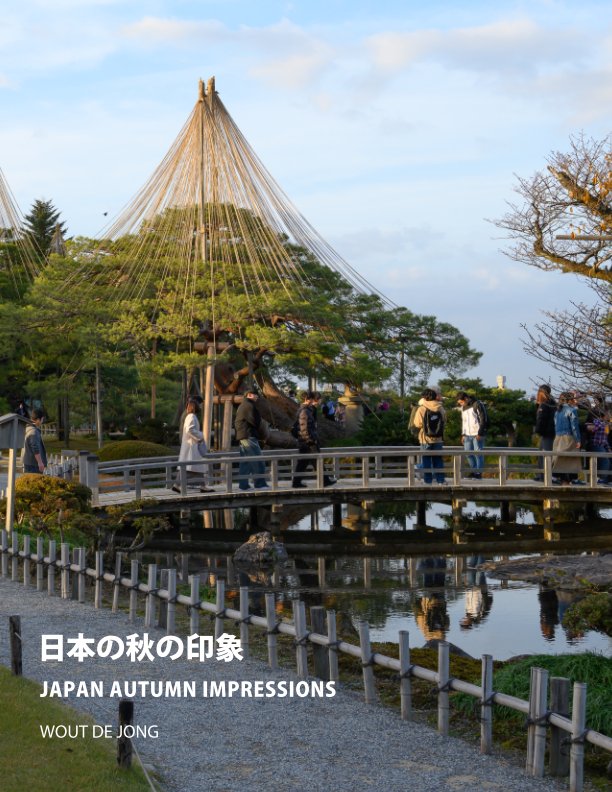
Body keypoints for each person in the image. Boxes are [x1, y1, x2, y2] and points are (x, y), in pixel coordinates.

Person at [292, 391, 336, 488]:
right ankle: (325, 481)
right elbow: (304, 428)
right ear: (307, 400)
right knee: (317, 460)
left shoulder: (305, 410)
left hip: (304, 441)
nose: (314, 401)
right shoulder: (305, 411)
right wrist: (311, 440)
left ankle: (296, 482)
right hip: (308, 442)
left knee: (303, 463)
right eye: (312, 399)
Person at [173, 398, 212, 493]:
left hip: (191, 445)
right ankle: (178, 485)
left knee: (193, 467)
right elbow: (189, 430)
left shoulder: (189, 416)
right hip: (192, 446)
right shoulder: (191, 416)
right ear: (195, 407)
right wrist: (200, 436)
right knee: (192, 467)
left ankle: (202, 486)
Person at [234, 390, 268, 491]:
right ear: (249, 395)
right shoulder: (249, 405)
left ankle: (243, 485)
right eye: (255, 394)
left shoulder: (243, 405)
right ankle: (260, 484)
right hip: (249, 436)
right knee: (258, 460)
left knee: (246, 462)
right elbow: (255, 421)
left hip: (242, 436)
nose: (257, 396)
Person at [413, 388, 446, 484]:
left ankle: (428, 481)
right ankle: (440, 480)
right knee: (438, 460)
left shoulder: (422, 408)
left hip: (425, 439)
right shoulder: (440, 407)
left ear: (425, 397)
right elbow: (444, 421)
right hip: (438, 438)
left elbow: (417, 424)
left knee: (426, 460)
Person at [552, 392, 583, 484]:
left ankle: (555, 477)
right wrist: (578, 440)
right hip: (569, 437)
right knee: (573, 458)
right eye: (573, 399)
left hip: (558, 437)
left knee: (559, 458)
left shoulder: (557, 411)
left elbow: (555, 425)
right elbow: (574, 427)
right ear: (569, 400)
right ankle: (574, 479)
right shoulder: (572, 410)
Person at [457, 391, 488, 479]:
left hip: (477, 434)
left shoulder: (477, 404)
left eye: (461, 402)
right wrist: (463, 434)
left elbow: (483, 419)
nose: (461, 404)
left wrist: (480, 433)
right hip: (467, 434)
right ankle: (474, 471)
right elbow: (464, 421)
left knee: (478, 453)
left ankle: (478, 473)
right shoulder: (463, 408)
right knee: (468, 453)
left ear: (466, 398)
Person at [534, 384, 556, 481]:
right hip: (549, 433)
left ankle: (544, 476)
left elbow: (541, 420)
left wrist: (537, 431)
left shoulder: (545, 405)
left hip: (547, 433)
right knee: (542, 455)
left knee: (545, 455)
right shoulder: (552, 403)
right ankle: (541, 475)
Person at [585, 409, 610, 484]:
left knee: (608, 460)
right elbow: (592, 429)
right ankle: (601, 478)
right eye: (608, 414)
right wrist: (602, 425)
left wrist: (608, 448)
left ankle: (605, 478)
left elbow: (605, 438)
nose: (609, 415)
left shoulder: (606, 424)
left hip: (602, 445)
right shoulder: (597, 421)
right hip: (595, 444)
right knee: (605, 461)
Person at [22, 408, 47, 474]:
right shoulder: (34, 431)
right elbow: (35, 447)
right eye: (42, 419)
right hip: (33, 464)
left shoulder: (27, 428)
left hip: (27, 462)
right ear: (38, 420)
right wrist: (40, 462)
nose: (42, 422)